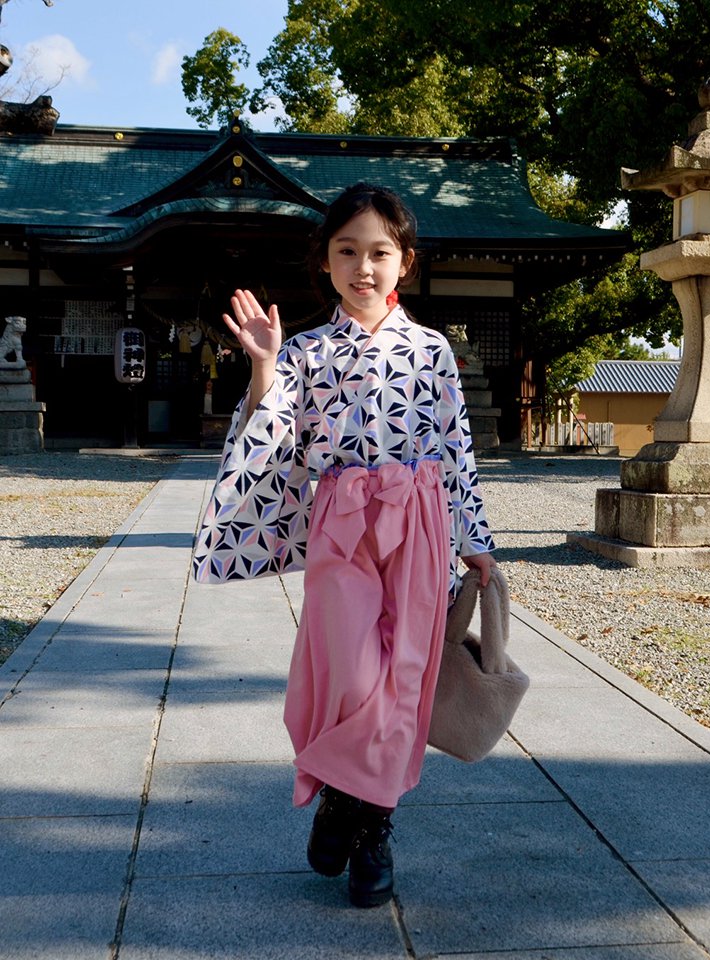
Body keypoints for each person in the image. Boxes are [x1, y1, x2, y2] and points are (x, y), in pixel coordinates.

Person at [192, 182, 496, 908]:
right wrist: (263, 366)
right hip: (344, 527)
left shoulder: (432, 351)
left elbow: (456, 446)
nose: (364, 266)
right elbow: (272, 434)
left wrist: (475, 538)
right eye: (347, 251)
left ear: (406, 263)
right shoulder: (304, 349)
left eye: (379, 253)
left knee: (405, 678)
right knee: (352, 674)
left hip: (420, 524)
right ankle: (337, 794)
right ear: (324, 263)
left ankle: (372, 828)